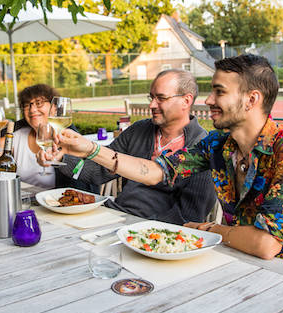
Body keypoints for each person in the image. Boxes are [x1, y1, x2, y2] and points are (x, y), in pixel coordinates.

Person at [57, 55, 283, 268]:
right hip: (236, 259)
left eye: (219, 92)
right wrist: (90, 149)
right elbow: (154, 171)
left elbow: (265, 244)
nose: (207, 100)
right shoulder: (217, 144)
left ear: (251, 99)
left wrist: (206, 229)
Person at [38, 70, 216, 224]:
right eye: (151, 97)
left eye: (161, 98)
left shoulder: (201, 146)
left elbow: (188, 216)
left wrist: (137, 230)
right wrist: (61, 158)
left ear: (186, 101)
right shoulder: (139, 130)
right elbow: (97, 172)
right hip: (115, 215)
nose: (152, 105)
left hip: (153, 233)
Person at [0, 84, 87, 189]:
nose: (32, 110)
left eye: (39, 103)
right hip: (22, 201)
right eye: (27, 105)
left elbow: (85, 177)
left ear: (54, 107)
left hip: (53, 204)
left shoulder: (68, 139)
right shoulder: (20, 135)